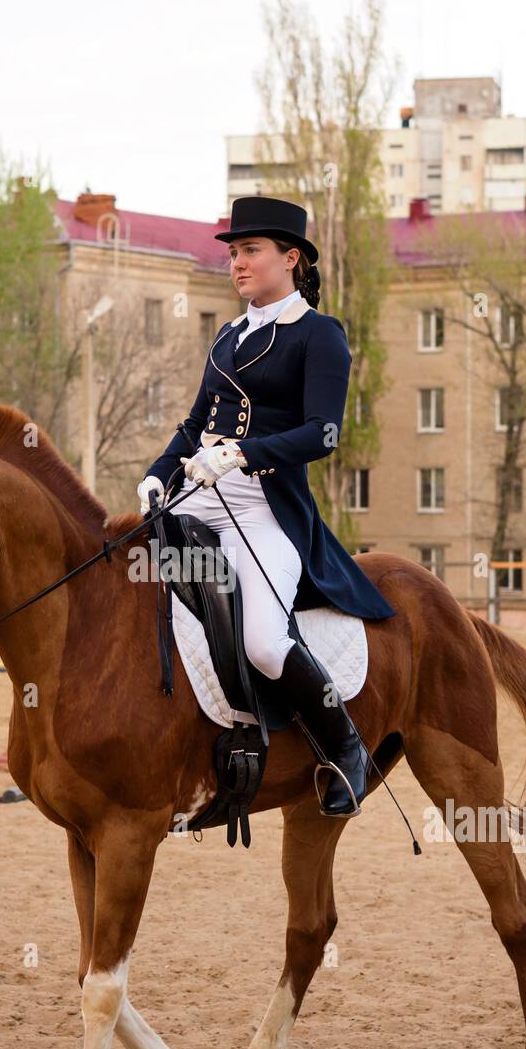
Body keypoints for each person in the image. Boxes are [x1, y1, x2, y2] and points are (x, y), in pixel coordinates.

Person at [137, 196, 396, 815]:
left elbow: (323, 434)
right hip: (198, 505)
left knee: (261, 642)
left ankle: (347, 747)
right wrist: (156, 472)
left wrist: (243, 453)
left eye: (250, 251)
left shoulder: (318, 335)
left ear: (292, 258)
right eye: (232, 253)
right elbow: (195, 423)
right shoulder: (227, 337)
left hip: (264, 516)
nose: (238, 263)